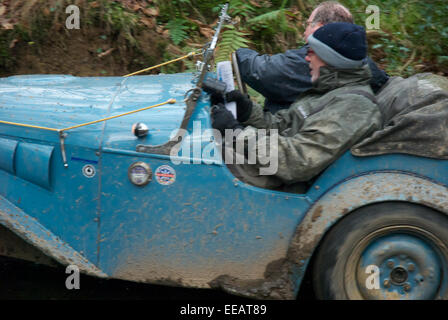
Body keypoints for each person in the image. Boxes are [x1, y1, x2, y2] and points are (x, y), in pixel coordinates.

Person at [210, 22, 382, 187]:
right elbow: (281, 125)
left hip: (282, 182)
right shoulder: (331, 90)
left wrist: (236, 133)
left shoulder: (353, 108)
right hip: (270, 165)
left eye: (311, 52)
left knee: (195, 156)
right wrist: (246, 111)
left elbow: (297, 162)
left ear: (331, 60)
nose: (306, 58)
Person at [235, 1, 389, 113]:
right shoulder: (361, 64)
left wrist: (240, 52)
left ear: (320, 27)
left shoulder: (321, 61)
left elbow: (264, 73)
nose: (303, 32)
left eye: (308, 24)